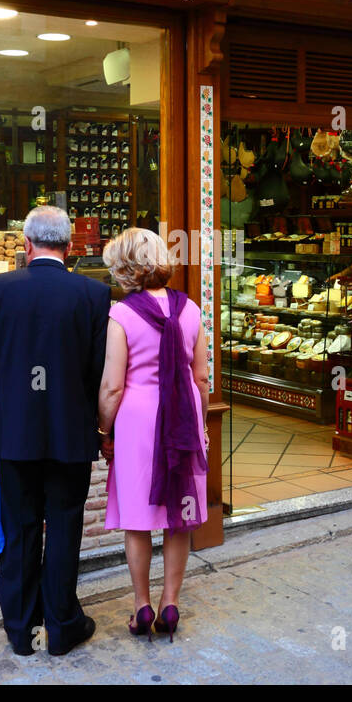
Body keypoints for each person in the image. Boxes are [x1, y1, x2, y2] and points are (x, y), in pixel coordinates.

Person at [0, 206, 110, 657]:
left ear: (26, 245)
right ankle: (63, 627)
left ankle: (21, 631)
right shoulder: (93, 294)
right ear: (70, 246)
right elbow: (99, 372)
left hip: (16, 434)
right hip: (70, 434)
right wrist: (99, 428)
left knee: (21, 527)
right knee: (65, 528)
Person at [97, 228, 209, 642]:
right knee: (178, 516)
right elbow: (200, 377)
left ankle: (141, 604)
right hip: (182, 417)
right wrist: (199, 428)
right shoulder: (191, 309)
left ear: (125, 268)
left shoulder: (122, 316)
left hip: (138, 420)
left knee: (139, 517)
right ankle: (171, 602)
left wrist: (103, 429)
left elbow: (112, 387)